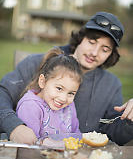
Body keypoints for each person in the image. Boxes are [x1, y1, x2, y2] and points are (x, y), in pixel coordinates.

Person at [0, 11, 133, 145]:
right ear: (80, 38)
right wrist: (14, 125)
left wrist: (130, 121)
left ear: (111, 54)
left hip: (79, 157)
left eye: (105, 49)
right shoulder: (36, 63)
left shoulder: (112, 85)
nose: (94, 53)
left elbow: (114, 134)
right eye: (92, 42)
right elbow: (2, 93)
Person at [16, 48, 82, 140]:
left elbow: (76, 134)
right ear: (42, 82)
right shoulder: (30, 106)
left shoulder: (69, 105)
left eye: (71, 93)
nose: (63, 98)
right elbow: (31, 144)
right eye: (59, 88)